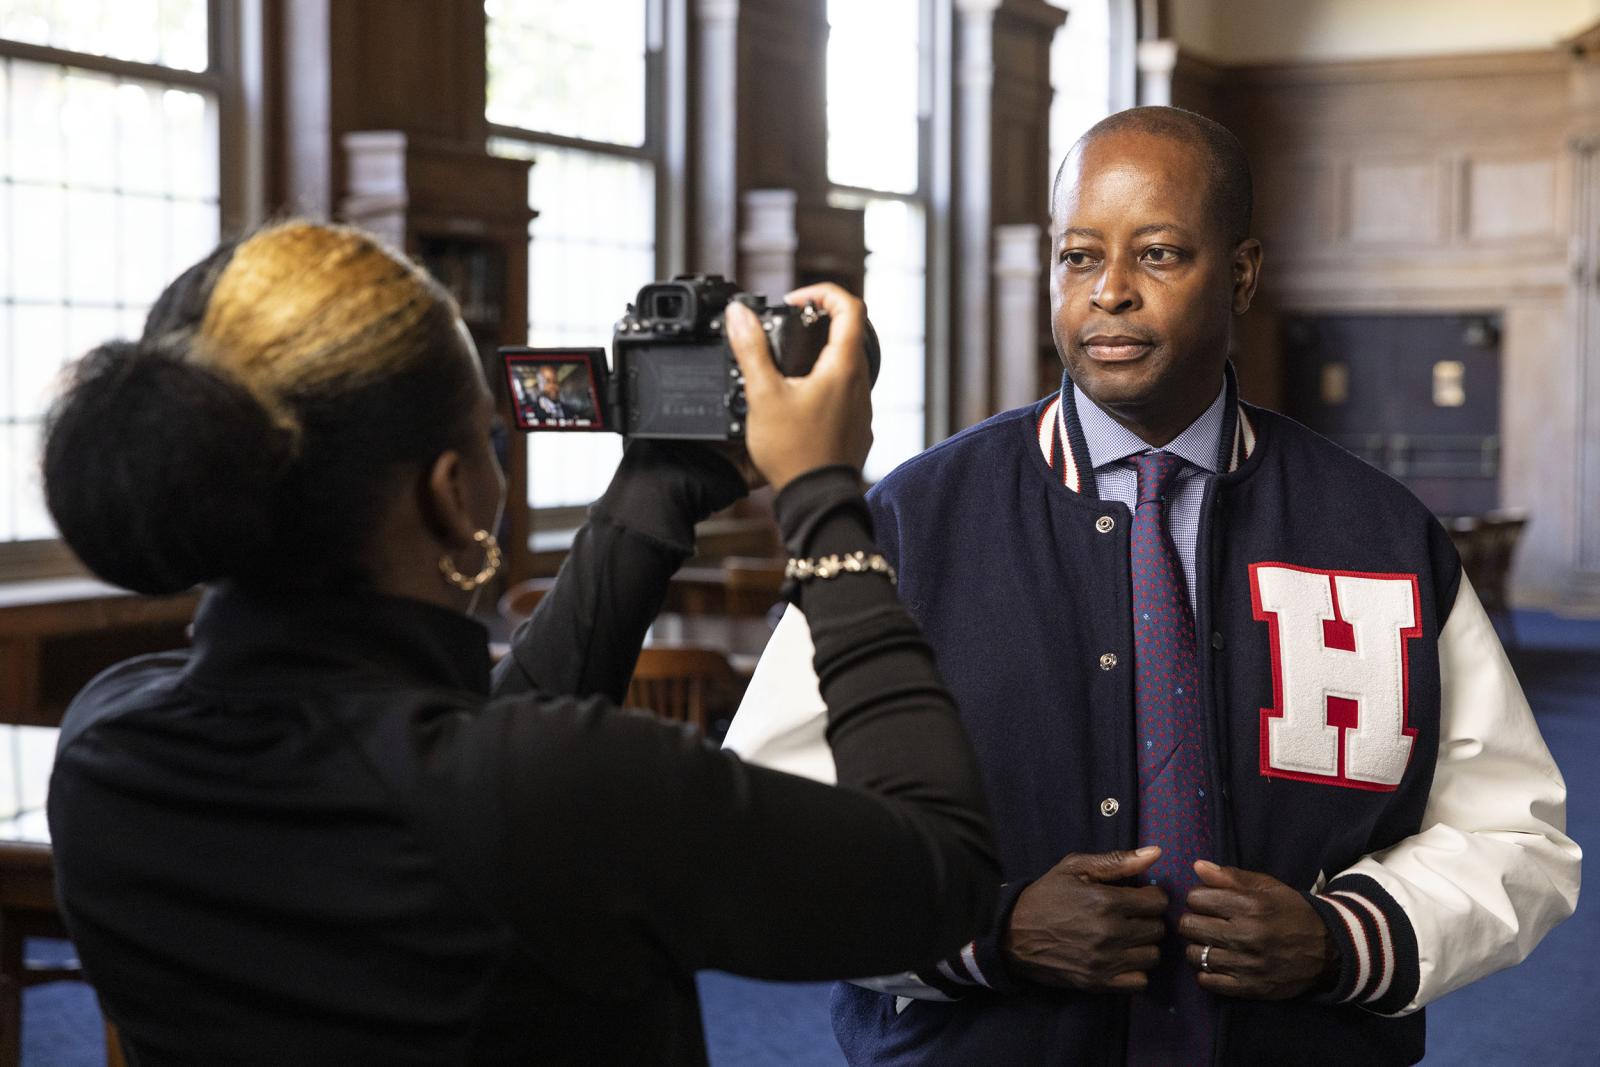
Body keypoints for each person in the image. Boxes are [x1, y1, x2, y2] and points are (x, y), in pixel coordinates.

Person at [724, 106, 1581, 1066]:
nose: (1111, 293)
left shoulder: (1380, 534)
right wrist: (988, 932)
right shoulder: (910, 524)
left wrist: (1343, 939)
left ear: (1242, 273)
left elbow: (1516, 834)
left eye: (1161, 254)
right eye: (1079, 256)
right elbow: (766, 826)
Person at [41, 221, 999, 1065]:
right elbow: (940, 874)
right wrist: (823, 502)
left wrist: (656, 490)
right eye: (494, 439)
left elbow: (477, 752)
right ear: (451, 492)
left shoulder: (106, 744)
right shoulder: (558, 791)